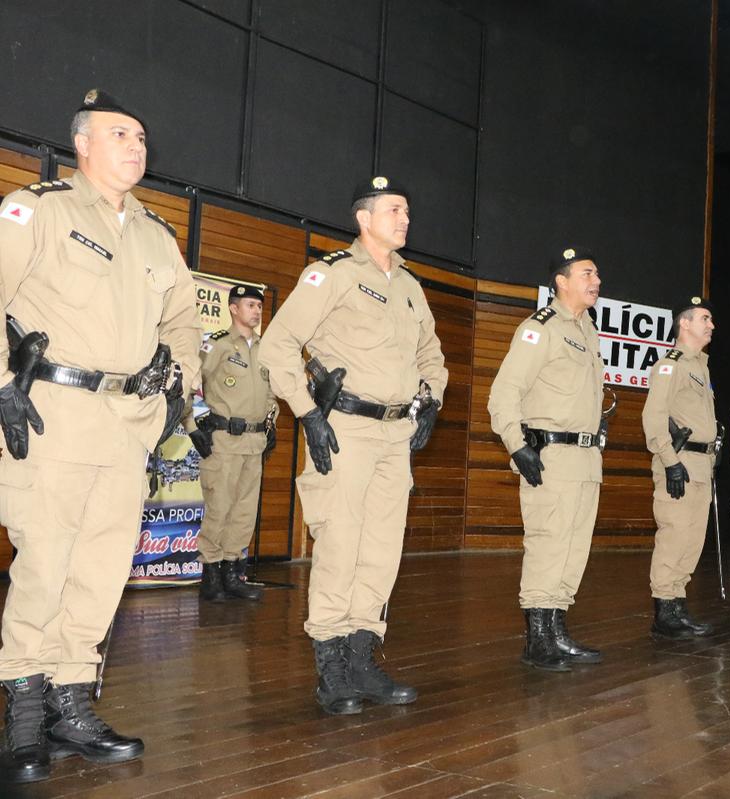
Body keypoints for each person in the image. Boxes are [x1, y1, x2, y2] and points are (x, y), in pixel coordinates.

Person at [0, 90, 202, 782]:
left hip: (128, 425)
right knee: (45, 563)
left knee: (102, 570)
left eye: (142, 137)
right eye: (122, 134)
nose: (137, 146)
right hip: (51, 412)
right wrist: (1, 381)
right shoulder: (39, 209)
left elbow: (181, 318)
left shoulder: (156, 234)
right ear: (82, 143)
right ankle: (25, 715)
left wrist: (178, 382)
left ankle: (72, 705)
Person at [259, 176, 447, 715]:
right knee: (340, 544)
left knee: (383, 548)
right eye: (394, 210)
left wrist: (430, 399)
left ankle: (363, 659)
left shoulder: (410, 285)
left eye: (407, 210)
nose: (405, 218)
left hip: (396, 434)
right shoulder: (331, 274)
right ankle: (332, 670)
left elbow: (431, 353)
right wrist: (308, 413)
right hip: (345, 428)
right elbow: (279, 345)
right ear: (364, 218)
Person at [487, 247, 605, 672]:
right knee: (548, 544)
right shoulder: (541, 329)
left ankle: (557, 631)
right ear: (562, 280)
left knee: (573, 548)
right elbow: (503, 392)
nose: (596, 281)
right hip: (550, 455)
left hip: (586, 458)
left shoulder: (587, 330)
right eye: (587, 273)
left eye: (597, 275)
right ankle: (538, 639)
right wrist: (517, 445)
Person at [186, 285, 278, 602]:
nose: (256, 311)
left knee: (243, 512)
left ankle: (231, 571)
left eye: (259, 306)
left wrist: (271, 423)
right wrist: (192, 424)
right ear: (234, 309)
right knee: (219, 508)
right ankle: (210, 575)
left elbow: (270, 394)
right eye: (250, 305)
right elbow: (191, 383)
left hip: (254, 443)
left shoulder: (264, 350)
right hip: (223, 441)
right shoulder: (218, 346)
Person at [642, 296, 718, 640]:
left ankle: (677, 604)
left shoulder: (700, 366)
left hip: (701, 464)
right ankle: (664, 612)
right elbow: (653, 417)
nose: (711, 325)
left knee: (691, 540)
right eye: (705, 318)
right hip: (680, 461)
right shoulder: (670, 364)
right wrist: (670, 462)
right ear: (684, 324)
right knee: (674, 535)